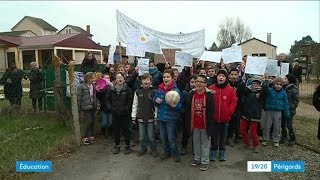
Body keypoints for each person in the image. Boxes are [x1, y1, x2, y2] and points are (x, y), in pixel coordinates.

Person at [185, 75, 215, 171]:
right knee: (196, 142)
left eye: (201, 82)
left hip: (205, 124)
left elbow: (211, 111)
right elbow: (188, 108)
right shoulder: (191, 94)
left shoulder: (209, 95)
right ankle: (197, 159)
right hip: (195, 123)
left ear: (205, 84)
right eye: (197, 81)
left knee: (205, 144)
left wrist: (210, 124)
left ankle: (205, 161)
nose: (198, 83)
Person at [154, 69, 183, 162]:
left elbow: (180, 105)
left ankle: (175, 153)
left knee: (171, 138)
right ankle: (166, 152)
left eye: (168, 77)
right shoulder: (160, 89)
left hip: (171, 119)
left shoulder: (175, 90)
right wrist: (156, 101)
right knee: (163, 137)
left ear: (172, 79)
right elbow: (154, 101)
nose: (165, 78)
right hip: (161, 118)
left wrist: (175, 106)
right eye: (164, 77)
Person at [208, 69, 238, 161]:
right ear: (217, 77)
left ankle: (222, 152)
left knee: (223, 137)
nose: (221, 77)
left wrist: (229, 112)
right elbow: (208, 101)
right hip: (214, 118)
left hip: (225, 119)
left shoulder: (231, 90)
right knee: (214, 137)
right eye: (219, 76)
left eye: (223, 76)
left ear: (226, 78)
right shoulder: (211, 88)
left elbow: (234, 101)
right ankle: (213, 152)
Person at [131, 73, 158, 157]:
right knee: (142, 137)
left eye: (148, 79)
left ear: (150, 81)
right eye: (144, 79)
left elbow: (156, 106)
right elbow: (135, 104)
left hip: (150, 117)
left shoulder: (154, 91)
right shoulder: (137, 91)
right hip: (140, 117)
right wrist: (133, 116)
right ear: (141, 81)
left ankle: (153, 150)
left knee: (151, 136)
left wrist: (156, 117)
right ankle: (143, 149)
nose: (146, 81)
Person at [239, 76, 268, 153]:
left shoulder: (261, 93)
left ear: (260, 85)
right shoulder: (248, 91)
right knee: (242, 129)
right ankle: (247, 144)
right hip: (246, 114)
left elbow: (266, 91)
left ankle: (256, 145)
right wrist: (243, 81)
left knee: (253, 131)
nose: (255, 85)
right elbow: (241, 90)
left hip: (255, 115)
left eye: (257, 83)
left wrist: (265, 82)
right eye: (254, 83)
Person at [107, 72, 134, 154]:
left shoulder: (128, 90)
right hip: (115, 114)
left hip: (125, 114)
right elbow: (107, 100)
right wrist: (111, 108)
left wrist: (126, 109)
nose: (120, 79)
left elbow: (130, 102)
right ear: (115, 80)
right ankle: (117, 145)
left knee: (126, 130)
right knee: (116, 130)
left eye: (121, 77)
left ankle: (127, 146)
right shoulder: (111, 90)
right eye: (118, 77)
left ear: (124, 79)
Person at [262, 77, 290, 147]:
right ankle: (265, 139)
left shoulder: (283, 93)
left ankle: (276, 140)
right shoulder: (270, 90)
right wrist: (266, 82)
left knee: (277, 126)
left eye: (280, 84)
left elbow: (286, 103)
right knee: (267, 126)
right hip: (269, 110)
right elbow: (265, 91)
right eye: (277, 84)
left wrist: (287, 112)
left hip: (278, 112)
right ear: (274, 84)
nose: (278, 86)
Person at [77, 72, 97, 145]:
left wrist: (96, 104)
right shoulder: (81, 86)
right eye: (92, 78)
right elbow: (79, 98)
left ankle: (91, 135)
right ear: (88, 79)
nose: (94, 79)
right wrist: (79, 109)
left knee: (92, 122)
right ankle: (85, 137)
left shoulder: (93, 86)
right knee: (89, 121)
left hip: (92, 105)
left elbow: (95, 96)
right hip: (85, 106)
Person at [180, 75, 197, 155]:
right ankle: (184, 146)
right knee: (186, 131)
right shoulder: (185, 92)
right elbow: (181, 103)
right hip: (187, 115)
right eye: (192, 82)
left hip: (197, 115)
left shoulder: (199, 92)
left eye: (195, 82)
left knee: (195, 133)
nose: (194, 84)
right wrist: (183, 111)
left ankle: (195, 148)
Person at [226, 68, 243, 145]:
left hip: (238, 106)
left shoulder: (240, 84)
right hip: (228, 105)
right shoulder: (226, 84)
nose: (233, 76)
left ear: (238, 75)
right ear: (229, 75)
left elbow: (243, 93)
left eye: (235, 74)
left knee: (237, 122)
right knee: (229, 122)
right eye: (232, 74)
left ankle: (237, 136)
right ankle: (228, 137)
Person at [282, 74, 300, 146]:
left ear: (290, 80)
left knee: (289, 125)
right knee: (282, 124)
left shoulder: (294, 89)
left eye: (285, 78)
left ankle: (293, 138)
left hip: (290, 110)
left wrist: (291, 107)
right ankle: (284, 136)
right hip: (283, 109)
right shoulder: (282, 87)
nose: (284, 80)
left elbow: (296, 101)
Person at [96, 74, 113, 139]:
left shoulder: (111, 88)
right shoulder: (100, 89)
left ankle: (110, 134)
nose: (106, 80)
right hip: (103, 108)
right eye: (105, 78)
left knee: (110, 122)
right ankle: (103, 133)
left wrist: (110, 84)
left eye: (108, 78)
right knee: (104, 122)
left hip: (110, 107)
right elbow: (98, 97)